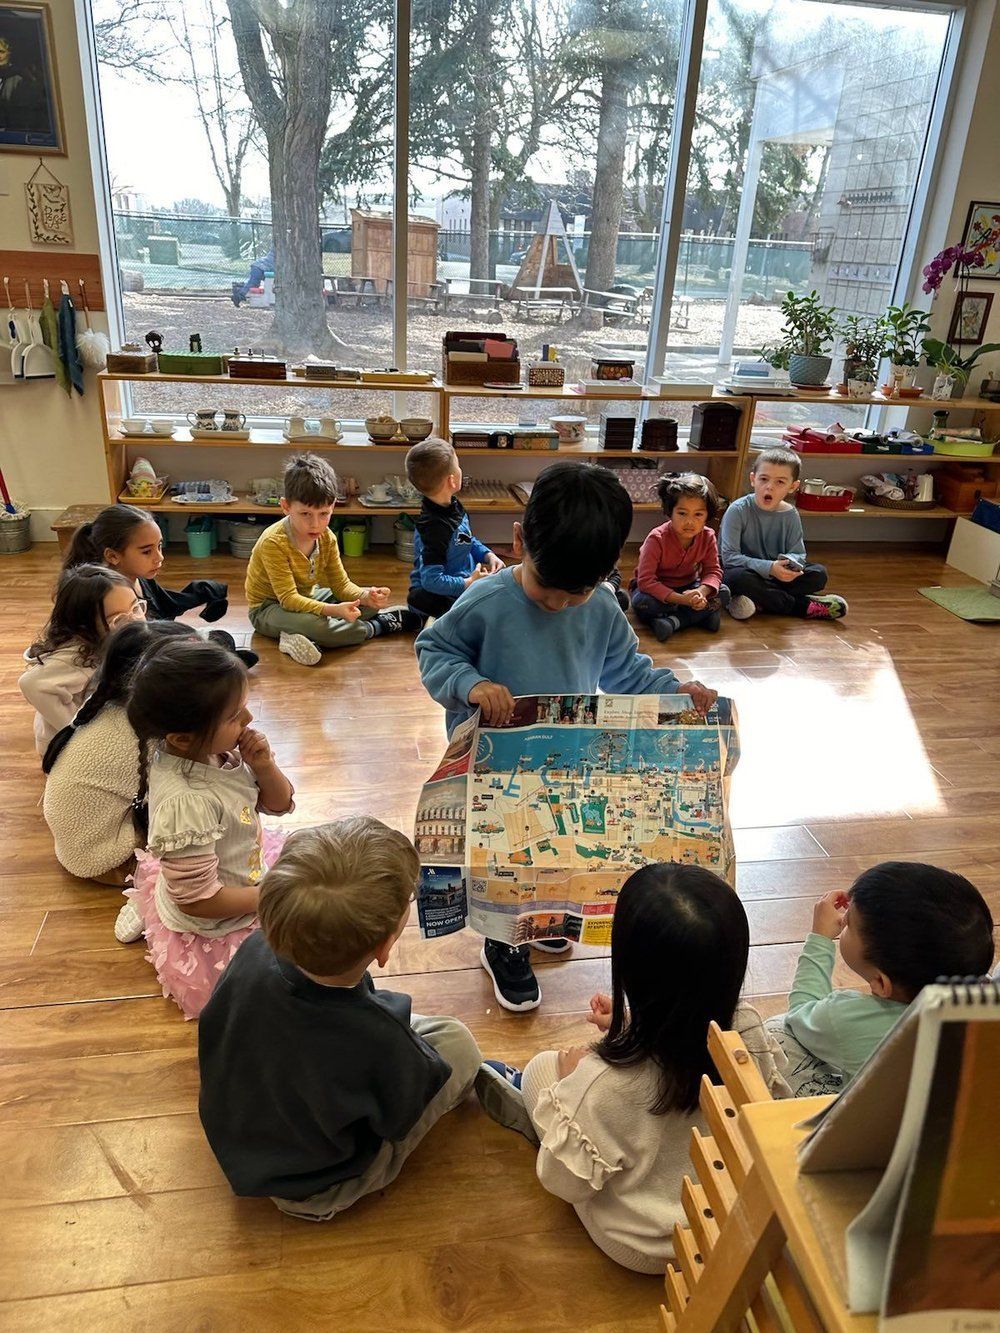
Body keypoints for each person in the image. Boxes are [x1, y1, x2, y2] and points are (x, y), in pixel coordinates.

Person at [416, 461, 717, 1011]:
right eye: (546, 588)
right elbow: (434, 650)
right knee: (502, 856)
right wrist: (472, 683)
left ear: (608, 572)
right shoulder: (485, 602)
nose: (558, 604)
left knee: (555, 847)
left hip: (567, 762)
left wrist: (676, 690)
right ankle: (502, 941)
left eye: (575, 593)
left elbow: (628, 671)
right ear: (517, 542)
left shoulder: (600, 605)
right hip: (493, 766)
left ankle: (543, 915)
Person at [198, 817, 530, 1218]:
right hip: (318, 1185)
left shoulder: (253, 949)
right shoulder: (378, 1039)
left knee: (393, 1031)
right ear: (386, 948)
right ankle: (327, 1202)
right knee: (459, 1045)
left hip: (243, 1133)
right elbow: (398, 1116)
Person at [478, 864, 788, 1274]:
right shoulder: (746, 1028)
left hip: (642, 1246)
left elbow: (558, 1181)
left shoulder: (605, 1083)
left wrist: (574, 1081)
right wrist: (630, 1024)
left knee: (541, 1069)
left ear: (629, 967)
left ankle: (544, 1114)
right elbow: (768, 1103)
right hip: (724, 1226)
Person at [118, 638, 295, 1017]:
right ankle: (155, 923)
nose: (248, 721)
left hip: (235, 863)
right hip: (217, 917)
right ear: (181, 737)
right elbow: (199, 900)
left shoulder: (212, 749)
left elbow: (280, 804)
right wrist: (270, 896)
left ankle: (149, 915)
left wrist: (263, 767)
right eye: (235, 716)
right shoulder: (187, 802)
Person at [769, 861, 995, 1096]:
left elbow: (800, 1013)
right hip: (955, 1122)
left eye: (850, 924)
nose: (843, 920)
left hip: (875, 1128)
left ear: (880, 983)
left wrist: (820, 938)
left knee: (773, 1030)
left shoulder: (848, 1018)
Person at [41, 620, 195, 885]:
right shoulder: (148, 735)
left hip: (81, 844)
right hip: (108, 859)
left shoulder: (104, 706)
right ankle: (149, 901)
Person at [245, 453, 421, 666]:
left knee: (367, 606)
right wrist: (332, 611)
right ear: (286, 506)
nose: (315, 524)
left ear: (333, 506)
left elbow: (341, 585)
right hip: (269, 608)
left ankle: (301, 636)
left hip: (309, 595)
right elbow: (289, 599)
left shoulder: (327, 537)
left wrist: (366, 596)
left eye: (323, 514)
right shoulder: (274, 542)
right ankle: (378, 626)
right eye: (305, 514)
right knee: (321, 626)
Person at [62, 503, 257, 668]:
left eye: (160, 546)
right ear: (113, 556)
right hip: (142, 662)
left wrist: (207, 592)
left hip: (159, 646)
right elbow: (127, 648)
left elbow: (167, 603)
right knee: (213, 645)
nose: (159, 557)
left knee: (221, 639)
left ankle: (218, 661)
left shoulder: (141, 579)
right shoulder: (108, 594)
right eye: (147, 552)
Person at [19, 563, 145, 755]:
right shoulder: (76, 658)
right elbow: (30, 683)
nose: (135, 621)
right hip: (65, 750)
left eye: (136, 608)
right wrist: (76, 732)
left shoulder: (115, 638)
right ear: (84, 627)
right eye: (118, 620)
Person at [719, 447, 848, 621]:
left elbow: (798, 553)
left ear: (793, 486)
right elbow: (729, 558)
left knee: (818, 574)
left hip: (776, 575)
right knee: (736, 578)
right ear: (753, 479)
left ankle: (760, 599)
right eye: (763, 479)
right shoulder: (737, 510)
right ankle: (800, 606)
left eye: (780, 482)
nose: (769, 487)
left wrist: (789, 566)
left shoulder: (791, 514)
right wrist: (770, 568)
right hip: (745, 571)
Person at [404, 437, 504, 620]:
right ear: (451, 480)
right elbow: (431, 580)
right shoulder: (434, 530)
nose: (461, 469)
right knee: (482, 613)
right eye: (458, 465)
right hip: (439, 590)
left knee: (500, 592)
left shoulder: (453, 506)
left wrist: (489, 555)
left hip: (464, 579)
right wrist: (468, 583)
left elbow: (466, 539)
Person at [630, 473, 730, 641]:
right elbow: (646, 581)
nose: (689, 522)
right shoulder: (656, 539)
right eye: (682, 513)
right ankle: (699, 617)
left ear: (707, 515)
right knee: (642, 603)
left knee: (724, 593)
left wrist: (701, 592)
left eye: (698, 514)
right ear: (670, 512)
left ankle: (672, 622)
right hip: (658, 592)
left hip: (690, 587)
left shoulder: (708, 536)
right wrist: (682, 600)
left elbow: (713, 571)